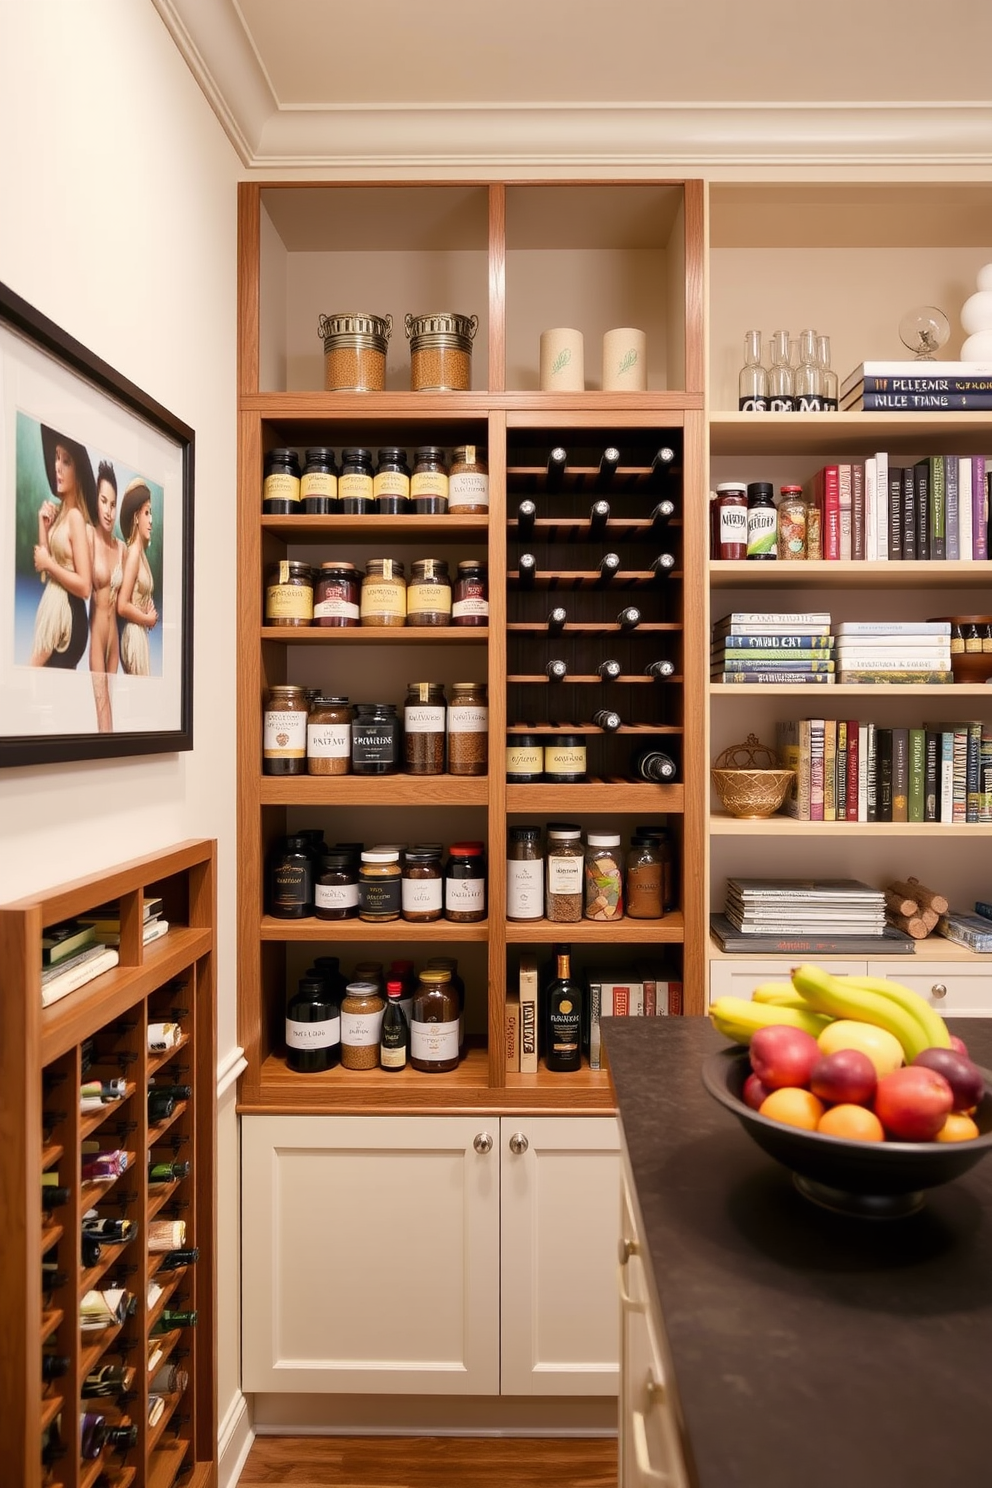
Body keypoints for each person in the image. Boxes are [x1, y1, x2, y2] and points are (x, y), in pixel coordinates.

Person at [29, 425, 95, 667]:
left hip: (68, 616)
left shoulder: (76, 518)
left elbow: (85, 586)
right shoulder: (61, 515)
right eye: (56, 458)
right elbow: (44, 568)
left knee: (34, 672)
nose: (57, 466)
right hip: (57, 611)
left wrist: (48, 564)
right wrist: (43, 526)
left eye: (65, 461)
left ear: (77, 472)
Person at [87, 460, 125, 730]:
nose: (109, 511)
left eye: (113, 504)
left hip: (115, 637)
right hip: (97, 638)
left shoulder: (122, 548)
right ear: (96, 501)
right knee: (104, 713)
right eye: (104, 501)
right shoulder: (88, 536)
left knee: (111, 709)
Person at [117, 478, 158, 676]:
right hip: (133, 637)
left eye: (151, 513)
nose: (151, 520)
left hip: (140, 635)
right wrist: (147, 619)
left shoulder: (140, 554)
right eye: (147, 513)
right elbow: (122, 605)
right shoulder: (133, 553)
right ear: (135, 517)